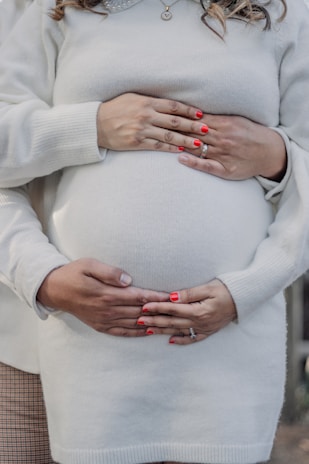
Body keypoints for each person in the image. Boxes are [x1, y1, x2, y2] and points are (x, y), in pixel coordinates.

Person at [0, 1, 309, 463]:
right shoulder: (53, 8)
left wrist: (277, 158)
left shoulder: (284, 11)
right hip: (83, 352)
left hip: (226, 351)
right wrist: (92, 126)